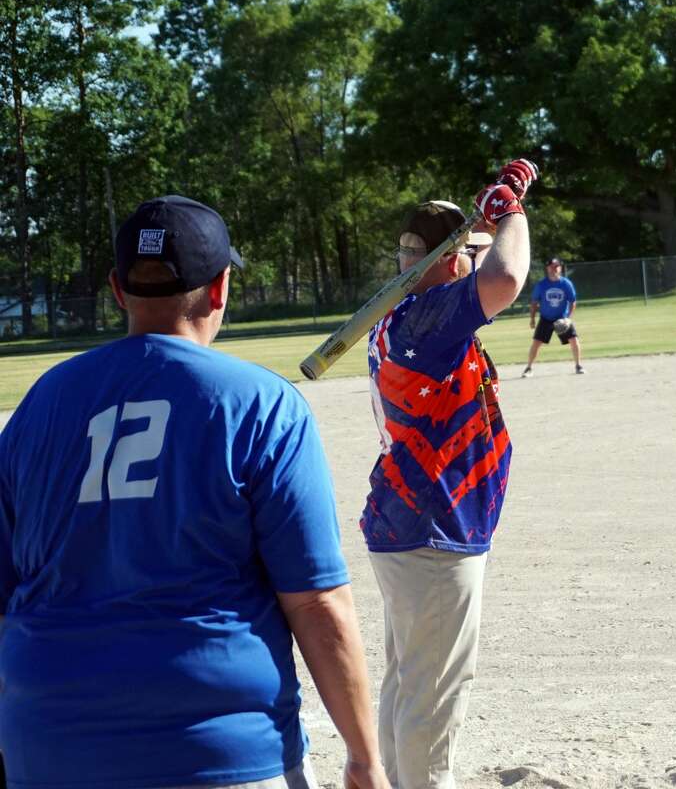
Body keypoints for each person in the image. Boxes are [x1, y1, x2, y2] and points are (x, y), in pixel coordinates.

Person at [0, 195, 388, 789]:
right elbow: (315, 603)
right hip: (218, 747)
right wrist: (364, 757)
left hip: (47, 745)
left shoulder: (40, 403)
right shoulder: (260, 404)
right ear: (220, 288)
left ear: (117, 290)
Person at [360, 159, 536, 789]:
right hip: (432, 530)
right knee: (433, 697)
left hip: (412, 525)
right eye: (469, 250)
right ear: (448, 257)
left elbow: (495, 266)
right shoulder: (427, 319)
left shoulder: (410, 314)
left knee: (410, 682)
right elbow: (510, 274)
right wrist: (509, 207)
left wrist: (491, 222)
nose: (478, 259)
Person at [522, 257, 584, 376]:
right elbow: (534, 303)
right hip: (546, 318)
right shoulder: (541, 285)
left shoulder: (566, 284)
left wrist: (568, 318)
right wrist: (532, 319)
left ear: (560, 268)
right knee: (536, 343)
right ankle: (528, 368)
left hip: (562, 318)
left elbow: (572, 302)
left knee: (574, 340)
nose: (554, 269)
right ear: (547, 268)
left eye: (557, 266)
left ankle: (578, 366)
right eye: (552, 266)